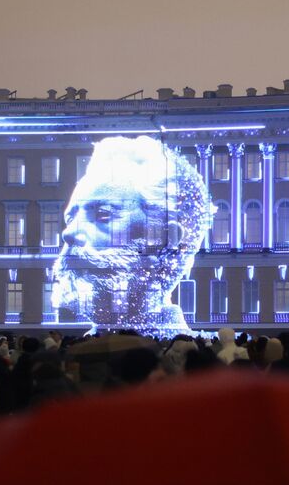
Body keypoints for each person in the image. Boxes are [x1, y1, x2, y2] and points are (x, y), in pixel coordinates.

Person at [50, 136, 212, 336]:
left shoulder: (189, 361)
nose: (69, 233)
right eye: (70, 218)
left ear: (165, 237)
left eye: (103, 214)